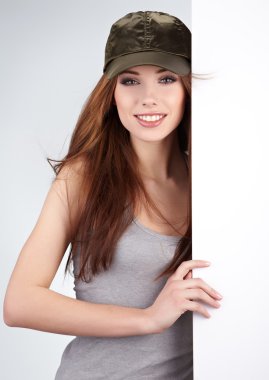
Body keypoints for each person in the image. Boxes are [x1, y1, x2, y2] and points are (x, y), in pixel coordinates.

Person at [3, 10, 222, 380]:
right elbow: (20, 303)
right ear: (111, 93)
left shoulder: (216, 183)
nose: (148, 98)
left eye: (166, 78)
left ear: (186, 89)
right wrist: (149, 318)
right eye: (130, 81)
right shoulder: (83, 178)